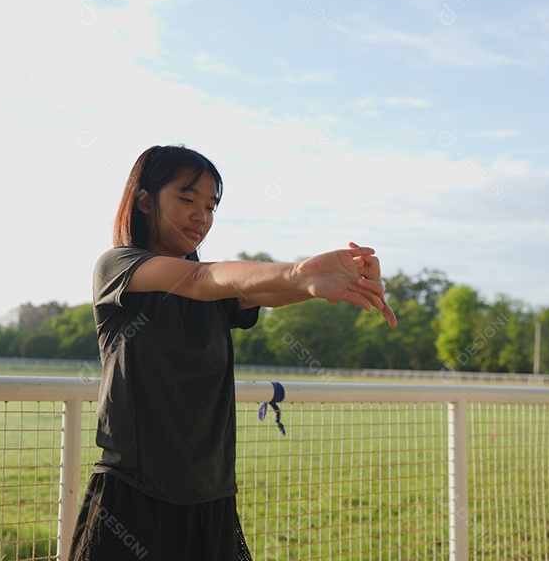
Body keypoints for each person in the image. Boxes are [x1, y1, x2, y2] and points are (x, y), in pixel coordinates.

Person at [69, 144, 396, 561]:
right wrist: (301, 273)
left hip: (211, 497)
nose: (200, 216)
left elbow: (260, 288)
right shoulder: (118, 268)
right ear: (145, 201)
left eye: (211, 206)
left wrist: (319, 281)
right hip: (134, 494)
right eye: (187, 199)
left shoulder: (215, 292)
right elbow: (201, 277)